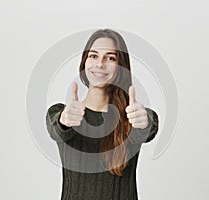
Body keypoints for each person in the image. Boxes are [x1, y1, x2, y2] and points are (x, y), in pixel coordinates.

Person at [46, 29, 159, 200]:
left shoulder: (132, 117)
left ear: (121, 66)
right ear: (84, 62)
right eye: (93, 56)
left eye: (110, 58)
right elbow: (57, 128)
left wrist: (145, 122)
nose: (100, 63)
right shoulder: (62, 114)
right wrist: (64, 120)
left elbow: (147, 127)